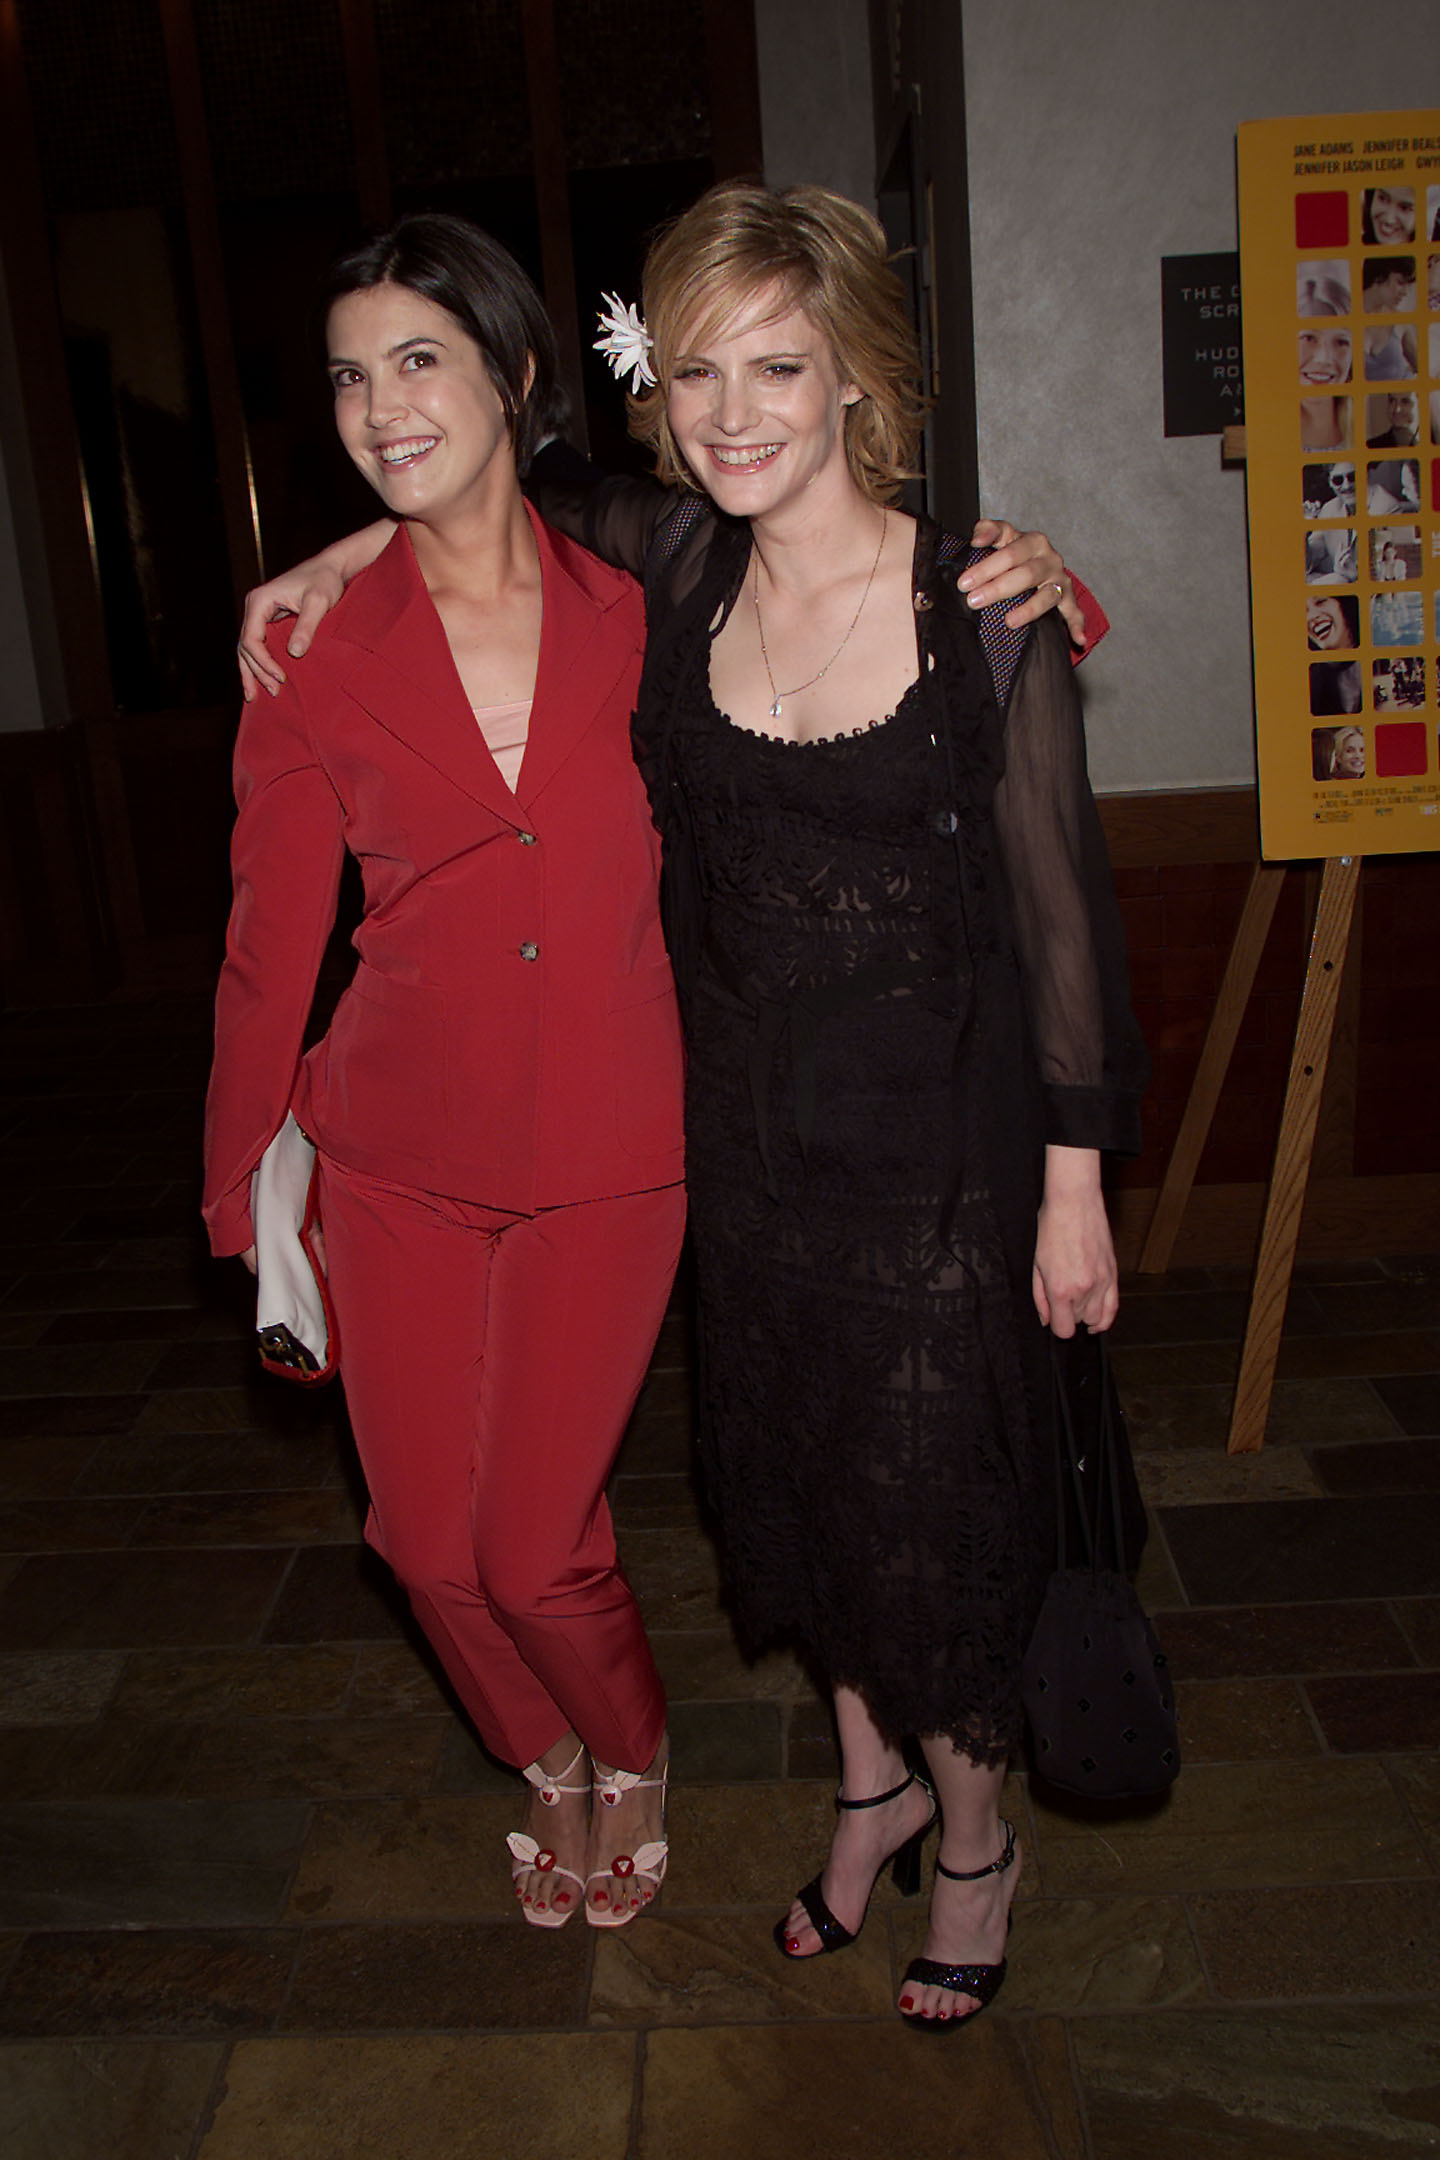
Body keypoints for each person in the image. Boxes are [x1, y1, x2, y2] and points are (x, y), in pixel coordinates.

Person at [236, 183, 1130, 2031]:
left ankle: (977, 1845)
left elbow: (1064, 914)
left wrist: (1073, 1180)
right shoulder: (677, 561)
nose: (732, 409)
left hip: (929, 1154)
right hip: (745, 1148)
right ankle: (868, 1794)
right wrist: (329, 560)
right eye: (701, 367)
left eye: (778, 366)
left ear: (857, 377)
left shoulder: (965, 603)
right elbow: (465, 486)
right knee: (800, 1498)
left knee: (922, 1506)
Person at [204, 213, 693, 1935]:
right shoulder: (311, 651)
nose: (380, 403)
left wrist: (1020, 576)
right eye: (350, 374)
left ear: (514, 375)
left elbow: (846, 580)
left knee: (537, 1543)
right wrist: (237, 1174)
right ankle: (546, 1763)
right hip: (393, 1149)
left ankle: (629, 1748)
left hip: (614, 1147)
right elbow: (273, 938)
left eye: (419, 359)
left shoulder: (649, 609)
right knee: (420, 1545)